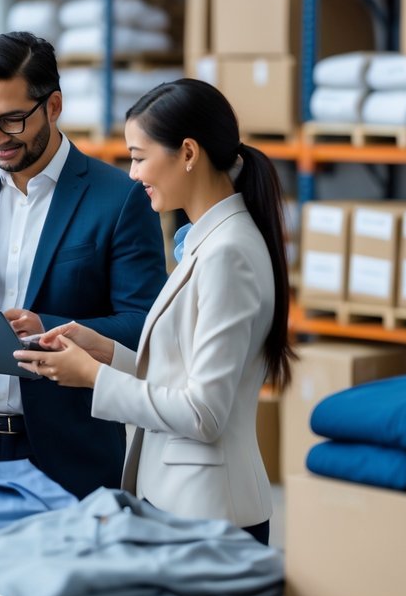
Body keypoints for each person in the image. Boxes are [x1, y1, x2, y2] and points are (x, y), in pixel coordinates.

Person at [15, 78, 293, 544]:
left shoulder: (228, 253)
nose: (132, 173)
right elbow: (181, 377)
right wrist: (104, 351)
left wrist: (93, 378)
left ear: (187, 152)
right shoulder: (211, 242)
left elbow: (204, 413)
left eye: (139, 156)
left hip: (208, 515)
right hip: (183, 504)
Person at [0, 31, 166, 499]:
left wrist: (45, 326)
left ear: (53, 107)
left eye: (11, 120)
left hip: (73, 456)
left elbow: (145, 328)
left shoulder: (119, 198)